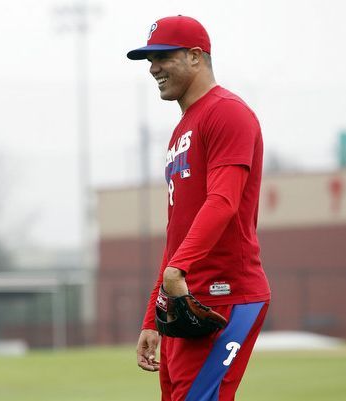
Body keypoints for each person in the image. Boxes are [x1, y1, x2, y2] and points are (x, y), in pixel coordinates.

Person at [126, 16, 271, 401]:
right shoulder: (183, 128)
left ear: (195, 57)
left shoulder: (227, 112)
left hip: (224, 296)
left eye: (162, 56)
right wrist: (152, 314)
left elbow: (223, 202)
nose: (153, 68)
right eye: (149, 59)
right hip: (183, 300)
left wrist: (179, 271)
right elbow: (178, 230)